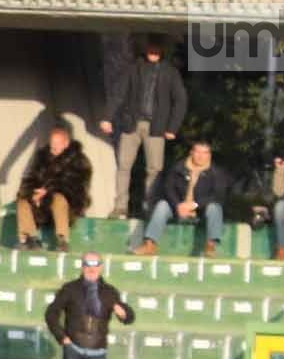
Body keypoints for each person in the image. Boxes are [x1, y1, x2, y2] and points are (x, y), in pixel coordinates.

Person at [99, 39, 187, 219]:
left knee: (154, 169)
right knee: (123, 166)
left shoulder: (170, 72)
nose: (153, 51)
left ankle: (150, 207)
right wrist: (107, 117)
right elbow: (119, 94)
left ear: (162, 50)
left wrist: (172, 127)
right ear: (145, 48)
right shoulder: (134, 68)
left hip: (157, 127)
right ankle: (120, 207)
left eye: (157, 48)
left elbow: (180, 100)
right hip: (132, 123)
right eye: (150, 48)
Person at [132, 140, 230, 257]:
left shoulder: (216, 173)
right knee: (162, 205)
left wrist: (193, 205)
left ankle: (211, 246)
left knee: (215, 207)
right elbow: (168, 188)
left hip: (200, 211)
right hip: (177, 208)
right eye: (197, 152)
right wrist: (178, 205)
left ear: (209, 155)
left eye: (204, 153)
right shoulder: (177, 168)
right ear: (191, 153)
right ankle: (149, 244)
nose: (201, 156)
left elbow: (218, 195)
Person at [15, 126, 91, 252]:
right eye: (52, 143)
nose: (53, 147)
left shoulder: (79, 161)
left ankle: (63, 240)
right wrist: (32, 193)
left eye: (57, 143)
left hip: (68, 203)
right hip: (43, 202)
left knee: (58, 198)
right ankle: (28, 239)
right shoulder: (41, 157)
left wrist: (48, 191)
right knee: (23, 201)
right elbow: (31, 177)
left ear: (66, 144)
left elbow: (74, 184)